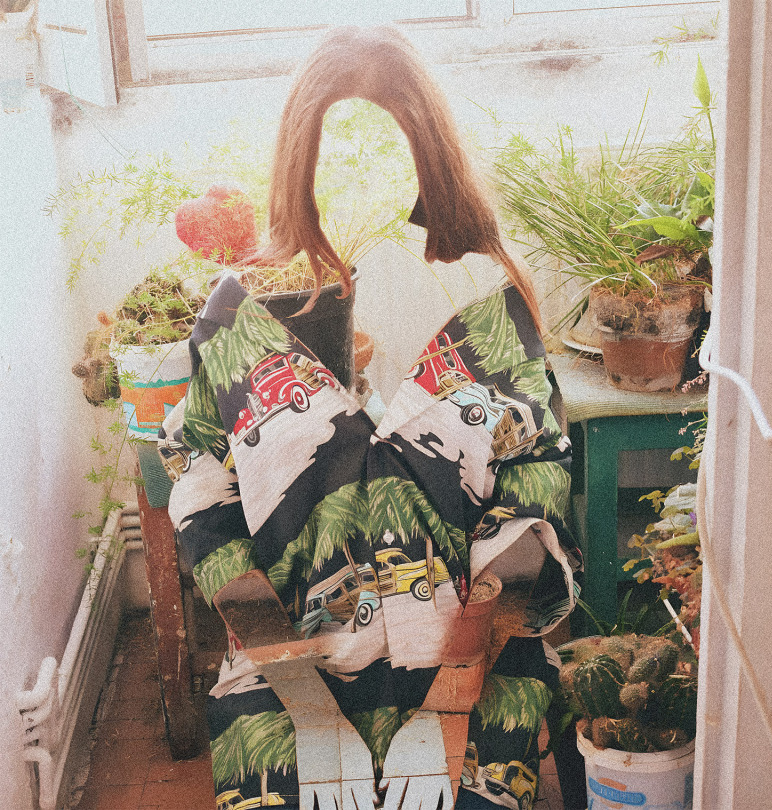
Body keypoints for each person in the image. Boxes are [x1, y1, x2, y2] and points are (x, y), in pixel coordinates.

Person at [161, 25, 583, 810]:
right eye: (332, 148)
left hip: (475, 659)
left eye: (387, 144)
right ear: (298, 157)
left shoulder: (495, 314)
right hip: (292, 664)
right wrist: (312, 709)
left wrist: (448, 707)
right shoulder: (238, 325)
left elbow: (534, 512)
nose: (361, 176)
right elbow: (202, 499)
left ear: (428, 148)